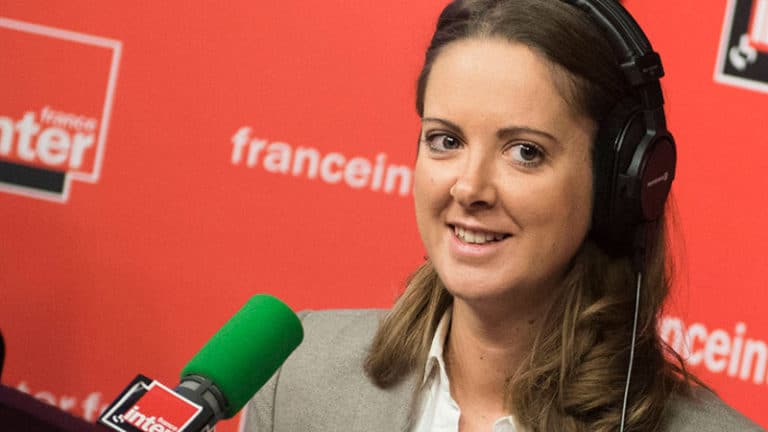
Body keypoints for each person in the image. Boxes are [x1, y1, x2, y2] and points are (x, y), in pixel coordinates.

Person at [244, 1, 764, 431]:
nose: (469, 188)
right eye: (445, 140)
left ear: (618, 184)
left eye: (525, 152)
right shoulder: (295, 373)